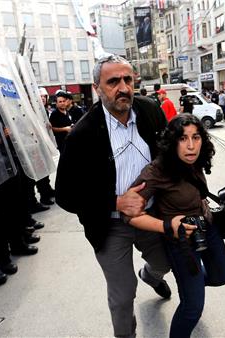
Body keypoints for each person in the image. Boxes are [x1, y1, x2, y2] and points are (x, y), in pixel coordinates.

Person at [55, 55, 171, 338]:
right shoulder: (82, 133)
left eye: (128, 80)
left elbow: (168, 156)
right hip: (110, 226)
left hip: (151, 217)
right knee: (122, 296)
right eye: (113, 81)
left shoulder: (150, 110)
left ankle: (150, 277)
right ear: (98, 87)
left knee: (164, 264)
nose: (123, 88)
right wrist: (114, 202)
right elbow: (65, 194)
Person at [127, 114, 225, 337]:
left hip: (207, 228)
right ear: (173, 141)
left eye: (196, 137)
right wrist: (167, 225)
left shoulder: (197, 159)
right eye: (183, 139)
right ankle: (187, 288)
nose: (191, 146)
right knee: (192, 309)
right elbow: (130, 214)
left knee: (222, 276)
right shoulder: (156, 171)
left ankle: (189, 285)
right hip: (181, 240)